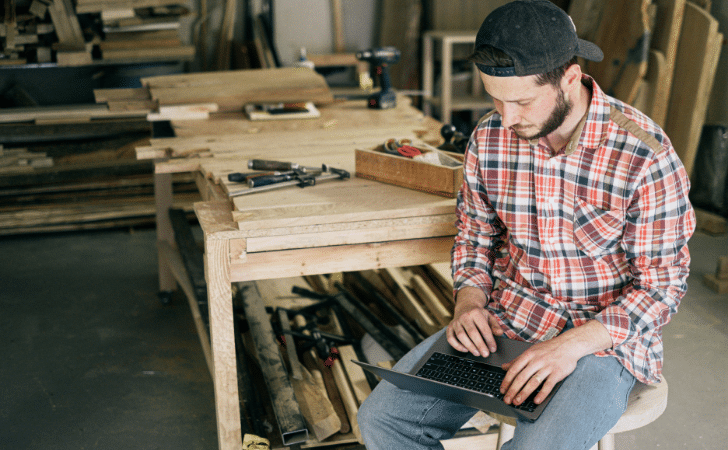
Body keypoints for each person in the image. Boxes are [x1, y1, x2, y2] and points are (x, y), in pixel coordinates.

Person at [357, 1, 696, 449]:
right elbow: (476, 236)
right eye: (495, 98)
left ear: (570, 79)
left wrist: (571, 345)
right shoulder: (490, 136)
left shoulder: (644, 156)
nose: (508, 117)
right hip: (510, 320)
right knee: (382, 419)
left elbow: (662, 286)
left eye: (521, 101)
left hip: (602, 344)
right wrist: (469, 303)